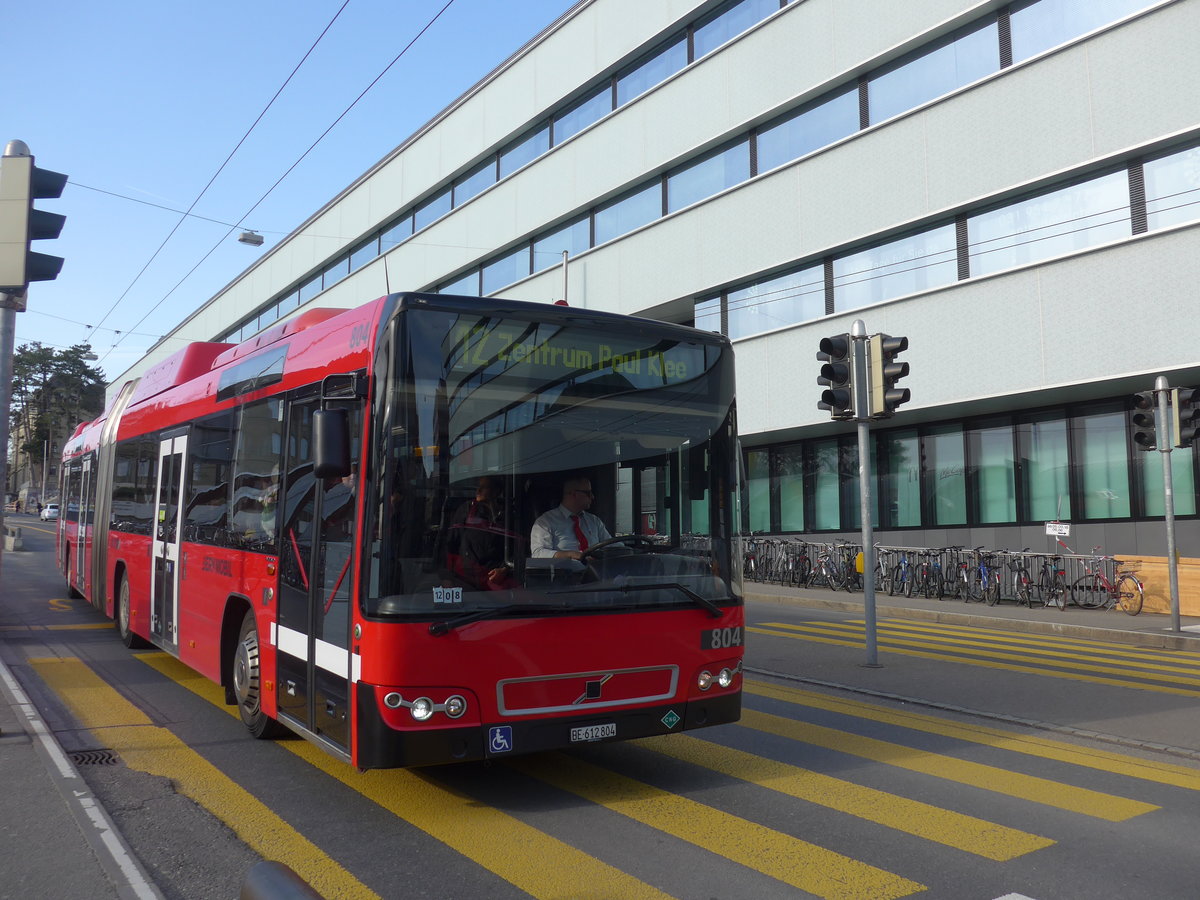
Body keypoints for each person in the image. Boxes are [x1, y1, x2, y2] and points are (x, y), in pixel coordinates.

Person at [447, 476, 515, 589]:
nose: (478, 490)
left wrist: (505, 569)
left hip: (496, 580)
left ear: (497, 491)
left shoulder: (508, 515)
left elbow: (518, 548)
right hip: (464, 578)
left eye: (484, 487)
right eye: (477, 487)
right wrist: (447, 577)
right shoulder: (466, 510)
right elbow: (451, 544)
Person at [530, 474, 611, 559]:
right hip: (565, 571)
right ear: (574, 494)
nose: (592, 497)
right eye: (588, 493)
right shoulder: (545, 522)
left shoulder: (594, 521)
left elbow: (612, 546)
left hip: (596, 570)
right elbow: (538, 554)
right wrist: (570, 555)